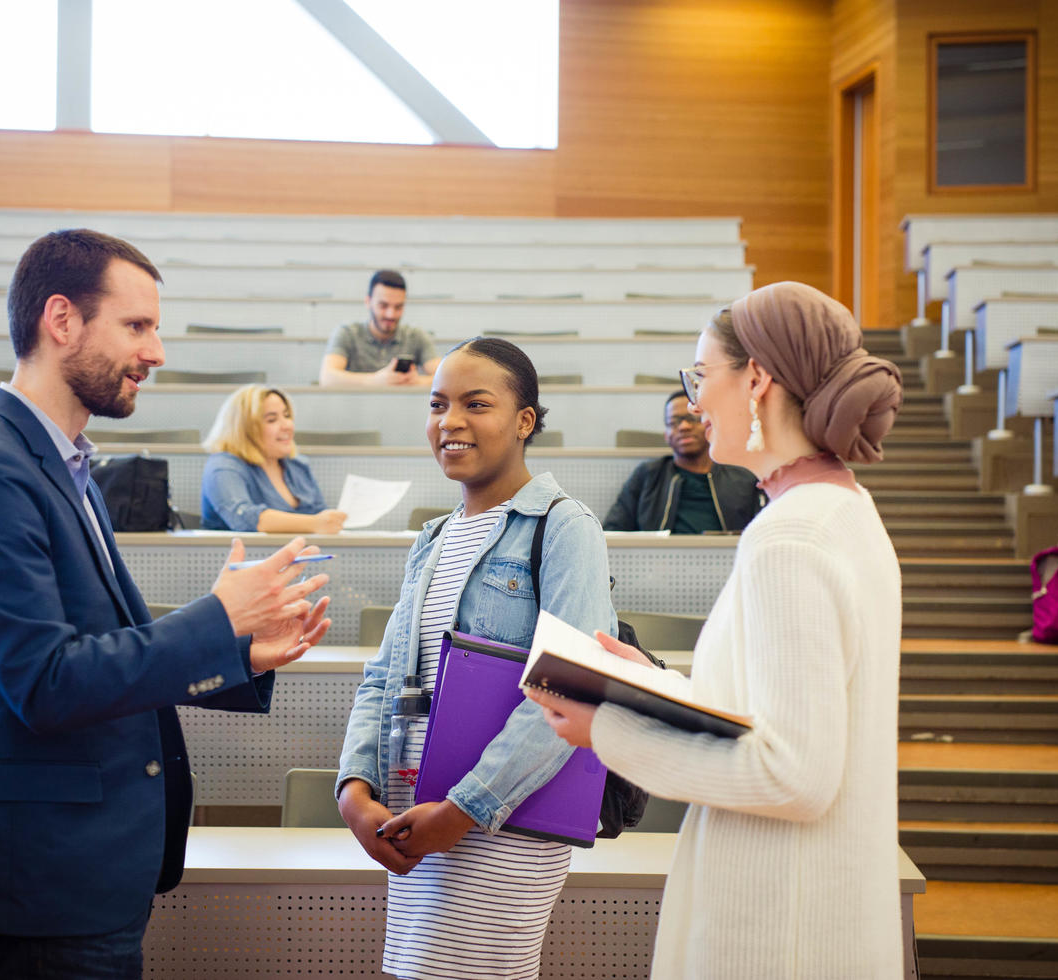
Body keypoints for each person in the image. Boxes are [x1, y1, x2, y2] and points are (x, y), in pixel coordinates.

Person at [0, 229, 333, 980]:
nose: (157, 351)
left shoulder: (62, 465)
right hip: (45, 896)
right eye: (137, 326)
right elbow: (47, 683)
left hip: (90, 879)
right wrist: (219, 619)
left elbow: (108, 654)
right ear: (62, 320)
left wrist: (237, 653)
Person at [529, 281, 905, 979]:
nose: (695, 402)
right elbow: (780, 715)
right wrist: (654, 686)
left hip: (776, 925)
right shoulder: (839, 510)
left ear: (756, 379)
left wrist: (605, 730)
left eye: (702, 375)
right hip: (813, 908)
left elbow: (793, 777)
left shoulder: (791, 539)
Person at [336, 337, 617, 980]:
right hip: (415, 812)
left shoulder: (564, 526)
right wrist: (355, 791)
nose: (449, 422)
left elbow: (570, 688)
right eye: (437, 404)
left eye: (475, 404)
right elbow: (384, 676)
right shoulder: (433, 536)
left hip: (502, 819)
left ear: (524, 421)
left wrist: (464, 811)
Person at [603, 388, 766, 533]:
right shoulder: (647, 476)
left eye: (692, 418)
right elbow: (612, 532)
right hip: (657, 564)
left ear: (708, 425)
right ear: (666, 435)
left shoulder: (743, 477)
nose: (684, 427)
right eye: (674, 422)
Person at [201, 384, 347, 533]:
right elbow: (244, 518)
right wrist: (314, 523)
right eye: (272, 420)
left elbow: (322, 517)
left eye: (287, 416)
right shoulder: (223, 467)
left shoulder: (298, 466)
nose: (287, 425)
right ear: (244, 429)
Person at [318, 269, 440, 387]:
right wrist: (375, 381)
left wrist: (417, 382)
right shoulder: (348, 333)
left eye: (398, 307)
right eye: (383, 306)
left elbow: (445, 377)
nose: (391, 314)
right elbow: (327, 378)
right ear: (368, 302)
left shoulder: (416, 336)